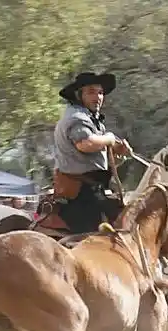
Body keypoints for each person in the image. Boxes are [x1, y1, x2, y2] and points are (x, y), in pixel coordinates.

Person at [52, 71, 133, 234]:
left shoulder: (92, 120)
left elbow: (96, 161)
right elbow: (85, 144)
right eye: (91, 92)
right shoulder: (77, 117)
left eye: (100, 92)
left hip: (93, 190)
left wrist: (119, 154)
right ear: (78, 95)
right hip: (81, 195)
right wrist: (109, 139)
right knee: (97, 239)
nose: (98, 97)